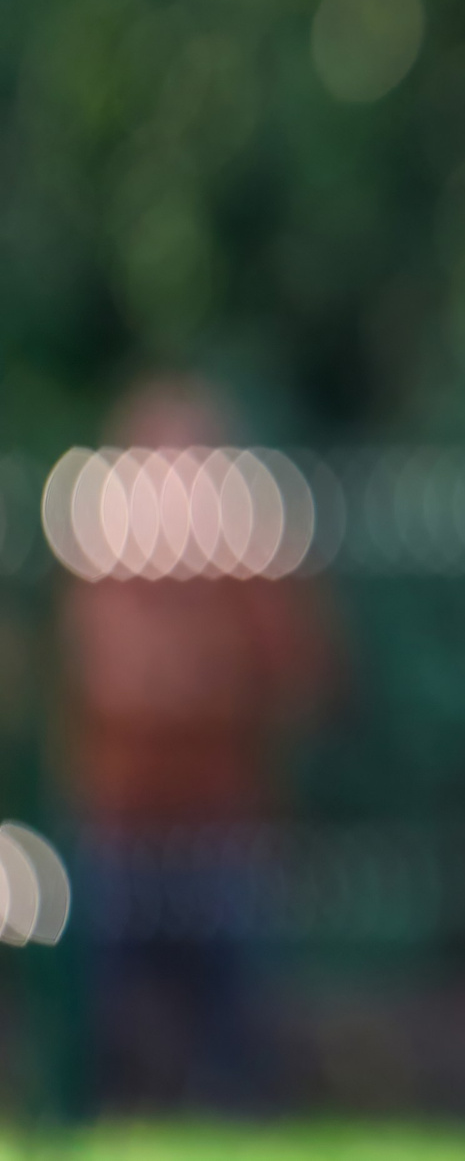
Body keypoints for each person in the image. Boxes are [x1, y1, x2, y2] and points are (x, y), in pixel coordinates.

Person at [60, 376, 336, 1110]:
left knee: (236, 1031)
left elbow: (302, 680)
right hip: (117, 830)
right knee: (99, 1023)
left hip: (223, 829)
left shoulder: (251, 561)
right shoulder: (100, 560)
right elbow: (98, 680)